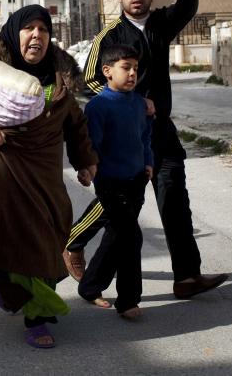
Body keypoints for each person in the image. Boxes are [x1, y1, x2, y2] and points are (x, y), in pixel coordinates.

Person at [64, 0, 228, 300]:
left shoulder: (160, 24)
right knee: (119, 204)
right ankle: (73, 241)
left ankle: (186, 276)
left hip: (161, 134)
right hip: (124, 138)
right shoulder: (108, 37)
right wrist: (132, 102)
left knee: (175, 203)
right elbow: (89, 82)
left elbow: (186, 8)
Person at [0, 5, 98, 350]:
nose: (37, 36)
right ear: (15, 33)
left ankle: (27, 296)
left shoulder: (58, 77)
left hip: (45, 178)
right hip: (1, 172)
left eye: (43, 30)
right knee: (6, 243)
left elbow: (74, 122)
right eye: (29, 28)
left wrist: (86, 161)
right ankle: (37, 317)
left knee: (48, 242)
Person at [76, 44, 152, 320]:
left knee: (117, 235)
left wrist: (149, 162)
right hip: (110, 183)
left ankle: (90, 286)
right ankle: (128, 300)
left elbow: (145, 137)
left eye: (135, 68)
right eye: (126, 68)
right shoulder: (99, 106)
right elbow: (90, 145)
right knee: (132, 236)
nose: (132, 73)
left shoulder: (139, 103)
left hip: (136, 181)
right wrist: (87, 169)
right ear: (107, 72)